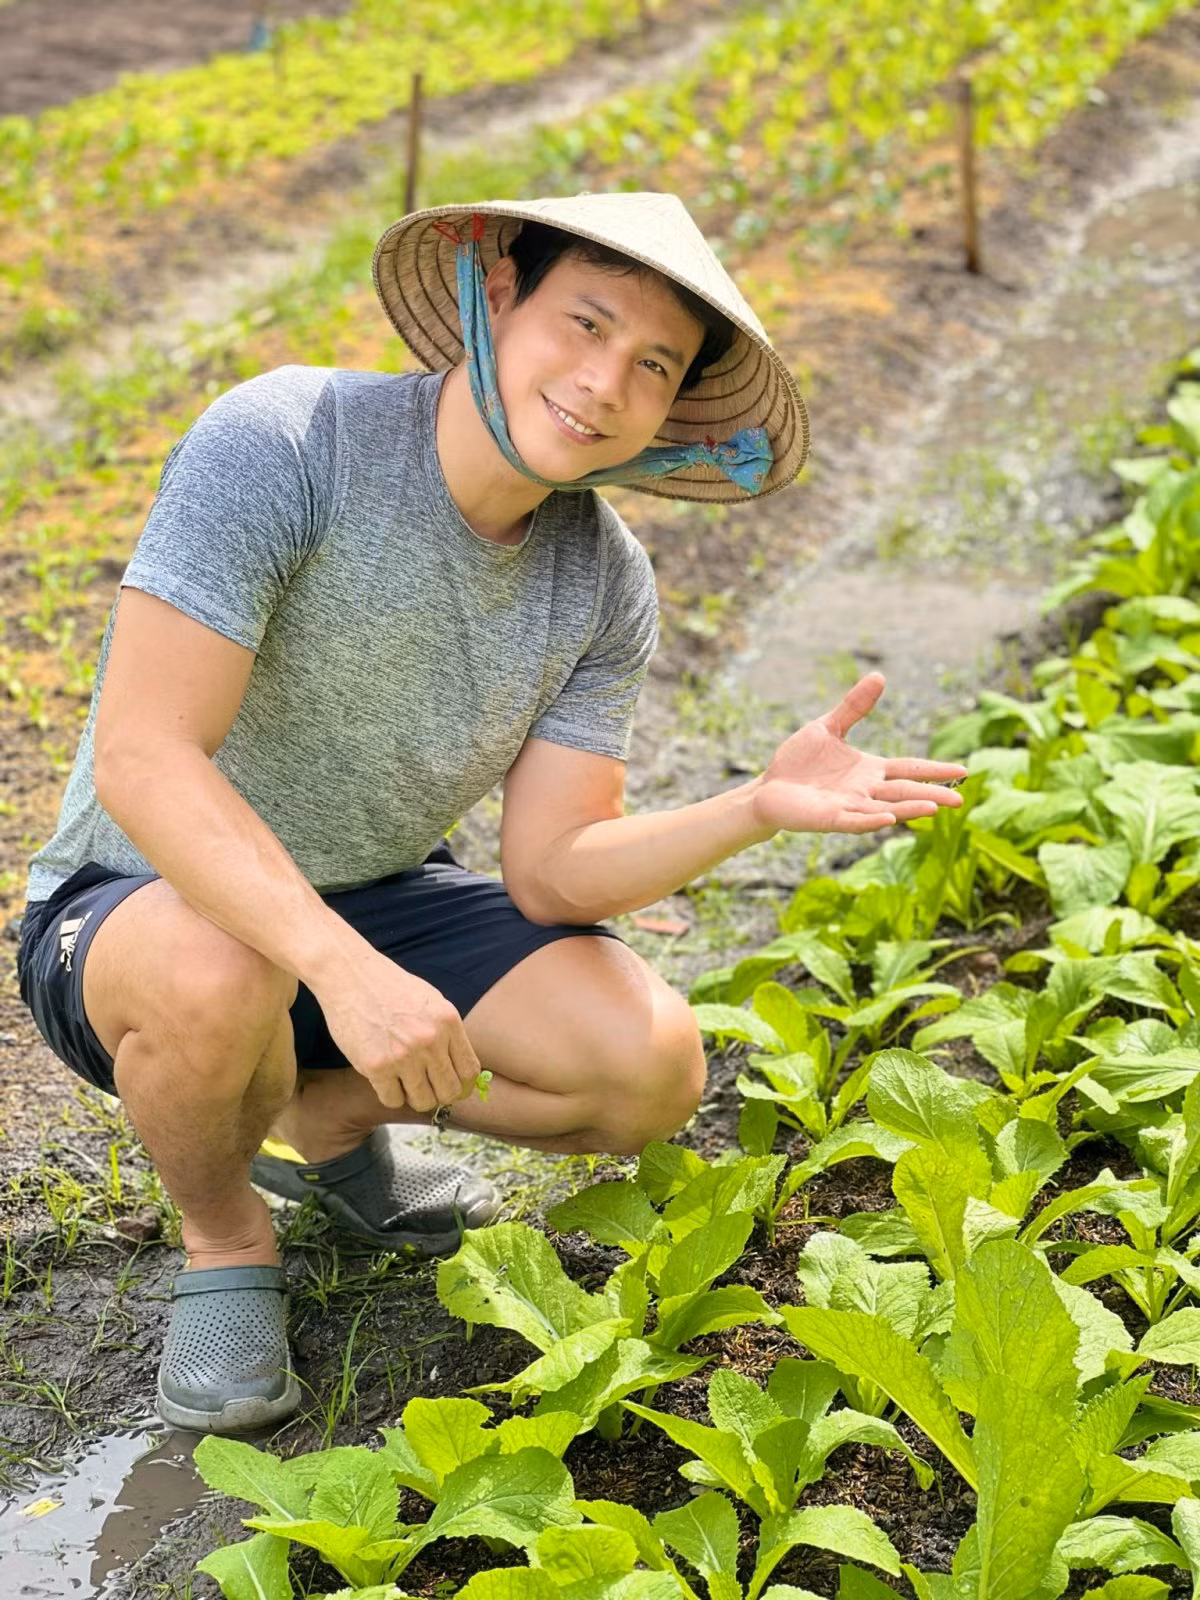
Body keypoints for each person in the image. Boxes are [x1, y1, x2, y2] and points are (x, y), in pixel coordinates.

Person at [15, 192, 967, 1434]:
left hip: (374, 895)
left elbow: (553, 869)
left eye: (654, 365)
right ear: (498, 294)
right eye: (587, 323)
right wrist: (343, 971)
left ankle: (324, 1116)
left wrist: (754, 807)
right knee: (218, 969)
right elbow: (146, 758)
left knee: (648, 1065)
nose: (604, 382)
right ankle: (228, 1233)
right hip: (138, 908)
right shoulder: (288, 440)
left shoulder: (602, 578)